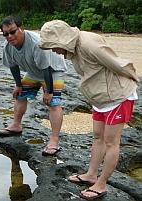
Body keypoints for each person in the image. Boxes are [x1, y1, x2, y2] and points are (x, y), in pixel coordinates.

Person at [39, 20, 139, 200]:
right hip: (100, 98)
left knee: (111, 142)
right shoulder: (74, 47)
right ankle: (91, 174)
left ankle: (101, 184)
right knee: (98, 137)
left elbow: (116, 63)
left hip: (117, 97)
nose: (53, 51)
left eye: (53, 46)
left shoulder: (89, 44)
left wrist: (130, 83)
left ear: (61, 39)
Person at [0, 15, 67, 156]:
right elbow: (13, 66)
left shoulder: (36, 43)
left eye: (12, 31)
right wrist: (18, 84)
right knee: (20, 95)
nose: (9, 36)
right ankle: (16, 125)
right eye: (6, 34)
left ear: (21, 28)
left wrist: (48, 91)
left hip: (53, 70)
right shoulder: (8, 47)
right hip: (33, 71)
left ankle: (54, 140)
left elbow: (46, 69)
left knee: (53, 103)